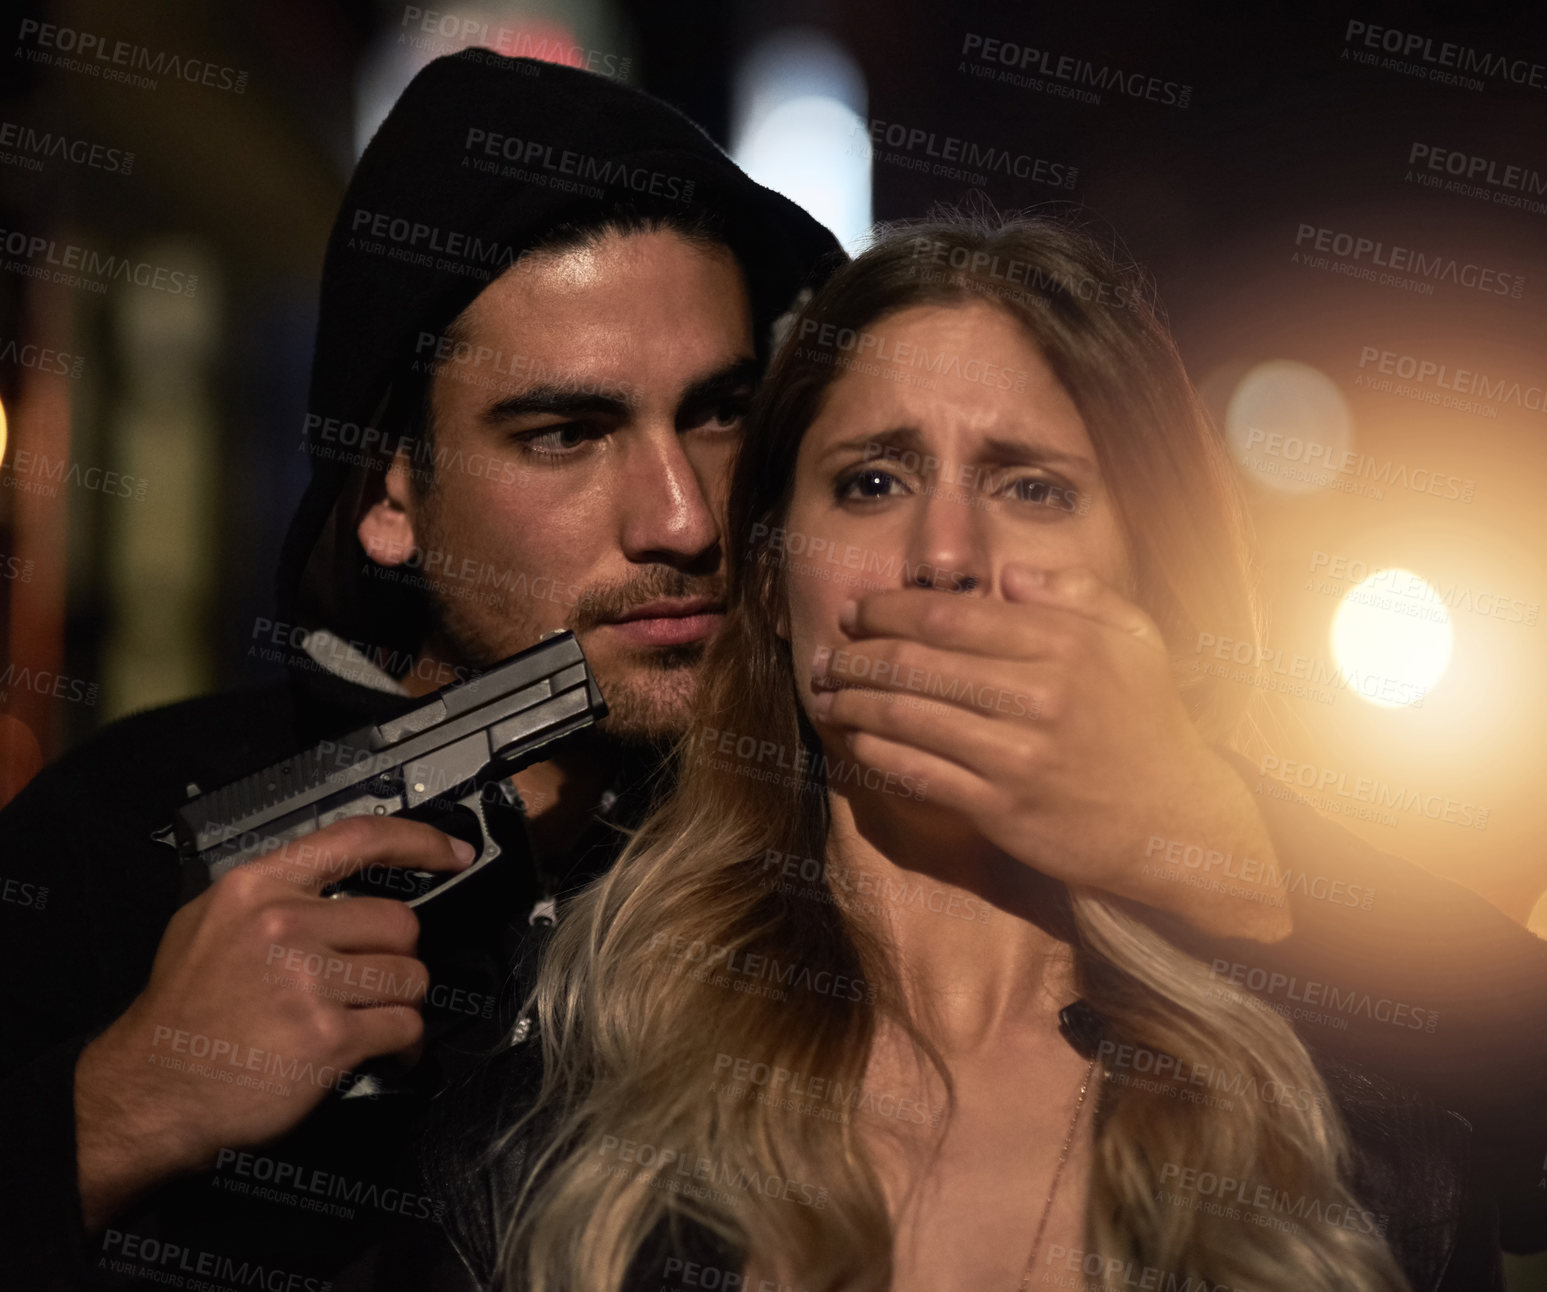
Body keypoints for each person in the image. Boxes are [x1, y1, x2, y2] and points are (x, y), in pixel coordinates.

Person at [419, 217, 1543, 1292]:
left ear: (1144, 580)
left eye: (1029, 487)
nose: (945, 554)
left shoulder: (1348, 1110)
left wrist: (1213, 839)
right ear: (768, 577)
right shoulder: (561, 1098)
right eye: (872, 482)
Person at [0, 49, 839, 1290]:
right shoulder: (109, 841)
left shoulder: (842, 838)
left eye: (717, 413)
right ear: (390, 495)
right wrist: (124, 1105)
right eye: (566, 433)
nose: (682, 518)